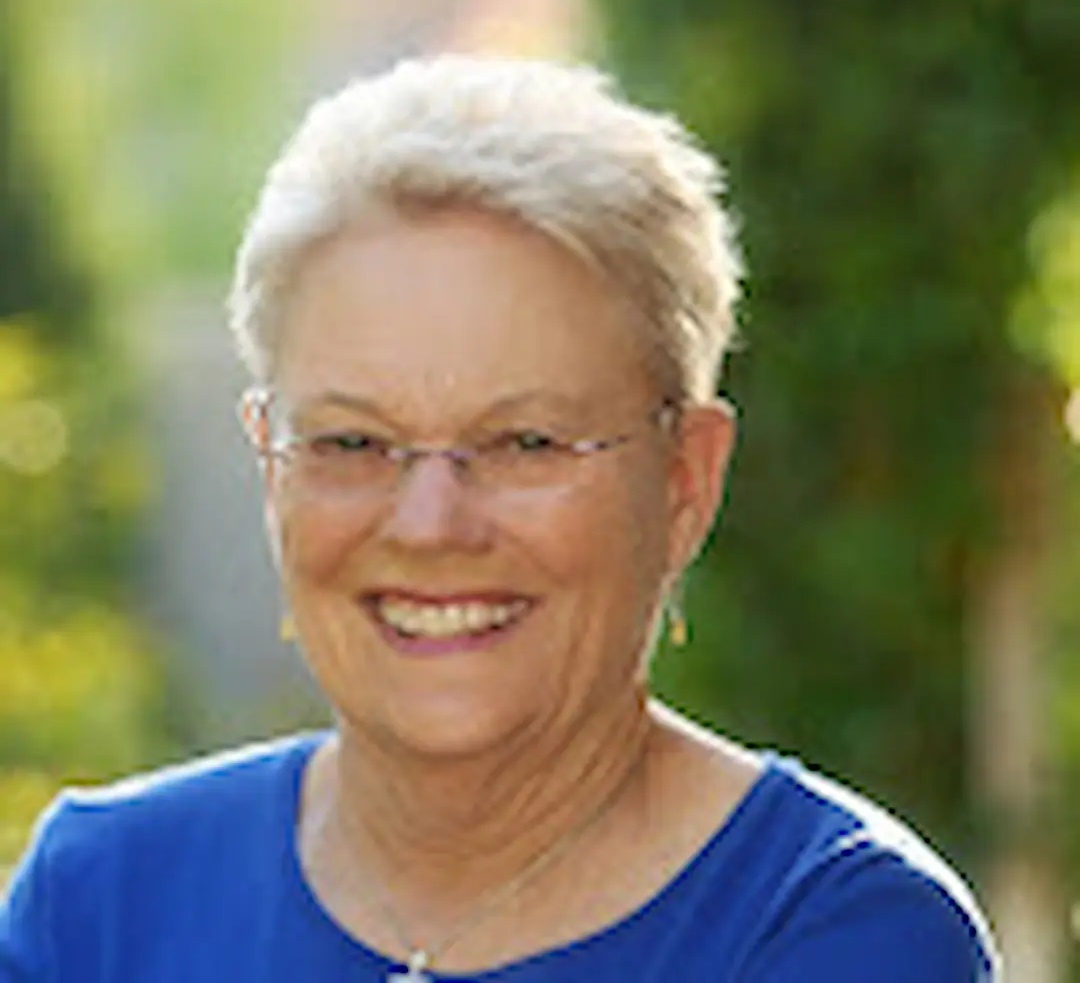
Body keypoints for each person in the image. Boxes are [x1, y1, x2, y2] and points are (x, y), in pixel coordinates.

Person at [0, 55, 999, 982]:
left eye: (525, 442)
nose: (430, 524)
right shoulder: (100, 907)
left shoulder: (840, 932)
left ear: (685, 479)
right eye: (354, 442)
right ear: (270, 464)